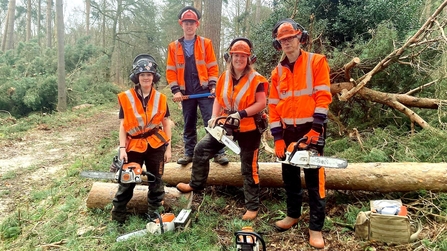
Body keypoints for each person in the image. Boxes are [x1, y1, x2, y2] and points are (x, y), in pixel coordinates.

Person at [176, 37, 268, 221]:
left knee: (249, 166)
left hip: (249, 126)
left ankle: (252, 205)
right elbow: (218, 98)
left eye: (243, 56)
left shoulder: (257, 79)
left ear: (249, 59)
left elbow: (261, 103)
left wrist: (241, 114)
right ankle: (196, 183)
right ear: (230, 57)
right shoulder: (224, 76)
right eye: (236, 56)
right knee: (201, 149)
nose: (239, 59)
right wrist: (214, 116)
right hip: (227, 124)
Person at [268, 18, 332, 249]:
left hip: (310, 127)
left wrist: (316, 128)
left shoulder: (316, 62)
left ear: (299, 37)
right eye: (283, 40)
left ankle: (315, 227)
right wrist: (277, 137)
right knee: (290, 177)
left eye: (290, 38)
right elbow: (273, 105)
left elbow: (323, 96)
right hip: (287, 130)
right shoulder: (277, 72)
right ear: (278, 43)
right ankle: (293, 214)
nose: (287, 43)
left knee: (315, 179)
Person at [111, 54, 172, 224]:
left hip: (156, 143)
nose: (146, 78)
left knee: (156, 181)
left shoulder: (161, 98)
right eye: (143, 75)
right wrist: (122, 148)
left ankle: (155, 217)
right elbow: (123, 126)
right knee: (127, 182)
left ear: (154, 77)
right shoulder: (126, 98)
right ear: (137, 77)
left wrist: (168, 147)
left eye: (149, 75)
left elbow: (166, 124)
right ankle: (118, 217)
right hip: (134, 144)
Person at [166, 6, 228, 166]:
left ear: (197, 24)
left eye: (192, 23)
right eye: (186, 23)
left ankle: (219, 152)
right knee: (189, 122)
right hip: (186, 92)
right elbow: (171, 71)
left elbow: (213, 66)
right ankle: (189, 153)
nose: (189, 26)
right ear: (181, 24)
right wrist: (176, 90)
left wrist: (213, 86)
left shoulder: (205, 43)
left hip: (205, 90)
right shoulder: (173, 46)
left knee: (212, 120)